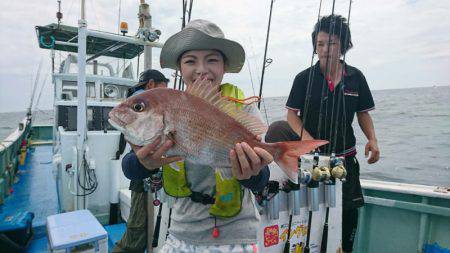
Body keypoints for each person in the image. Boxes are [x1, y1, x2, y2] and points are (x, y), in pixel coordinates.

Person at [122, 19, 273, 252]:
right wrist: (144, 163)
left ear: (224, 66)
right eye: (190, 61)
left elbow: (262, 178)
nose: (201, 69)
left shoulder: (244, 111)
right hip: (182, 231)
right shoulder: (162, 110)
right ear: (180, 70)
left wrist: (250, 175)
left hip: (236, 234)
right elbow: (129, 167)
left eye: (212, 60)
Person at [265, 15, 380, 253]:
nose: (325, 49)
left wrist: (373, 139)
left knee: (346, 216)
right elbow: (291, 115)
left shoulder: (356, 77)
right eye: (320, 44)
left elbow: (363, 114)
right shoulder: (303, 78)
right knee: (309, 218)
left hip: (344, 158)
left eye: (332, 43)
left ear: (344, 46)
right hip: (312, 158)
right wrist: (306, 137)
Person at [112, 69, 170, 253]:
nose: (165, 93)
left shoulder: (134, 103)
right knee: (136, 231)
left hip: (146, 174)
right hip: (144, 178)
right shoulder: (144, 102)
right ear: (151, 85)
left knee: (141, 227)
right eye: (163, 88)